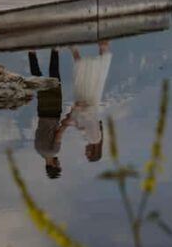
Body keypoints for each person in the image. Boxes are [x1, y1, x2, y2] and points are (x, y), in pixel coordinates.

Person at [60, 41, 112, 163]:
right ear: (93, 151)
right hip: (86, 102)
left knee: (86, 75)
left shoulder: (93, 138)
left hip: (86, 104)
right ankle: (75, 48)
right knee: (82, 76)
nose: (85, 152)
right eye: (87, 154)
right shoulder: (94, 138)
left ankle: (98, 46)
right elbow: (90, 119)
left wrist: (73, 123)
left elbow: (86, 124)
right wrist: (78, 110)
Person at [30, 49, 67, 179]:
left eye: (58, 166)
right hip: (42, 112)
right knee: (38, 81)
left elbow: (59, 133)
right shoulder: (38, 149)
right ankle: (32, 52)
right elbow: (38, 131)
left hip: (54, 112)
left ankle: (55, 50)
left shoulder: (54, 151)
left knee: (55, 79)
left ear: (53, 166)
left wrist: (68, 123)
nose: (59, 163)